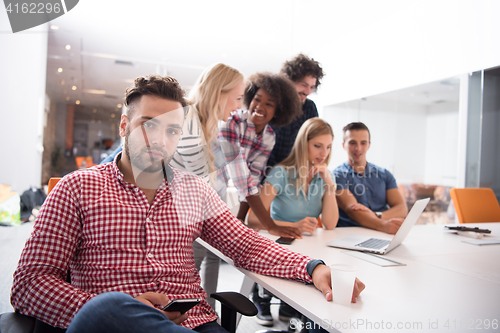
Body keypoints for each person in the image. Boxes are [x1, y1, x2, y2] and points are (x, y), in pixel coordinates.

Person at [11, 75, 365, 332]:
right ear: (123, 125)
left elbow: (246, 245)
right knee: (108, 306)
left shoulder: (194, 191)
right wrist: (119, 308)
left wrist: (312, 267)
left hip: (192, 323)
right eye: (148, 125)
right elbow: (29, 283)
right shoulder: (78, 188)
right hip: (112, 325)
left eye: (172, 131)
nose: (159, 140)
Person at [247, 118, 338, 326]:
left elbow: (331, 223)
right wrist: (291, 226)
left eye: (328, 147)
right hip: (279, 243)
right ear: (303, 144)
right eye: (317, 146)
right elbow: (252, 218)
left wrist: (329, 184)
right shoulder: (281, 173)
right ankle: (262, 294)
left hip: (308, 246)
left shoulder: (322, 177)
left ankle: (291, 304)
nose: (323, 153)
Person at [218, 73, 303, 232]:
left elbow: (253, 179)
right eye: (257, 99)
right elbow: (242, 178)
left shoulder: (269, 137)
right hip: (201, 193)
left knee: (220, 253)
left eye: (269, 104)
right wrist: (270, 226)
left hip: (222, 199)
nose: (259, 106)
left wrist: (240, 221)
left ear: (278, 111)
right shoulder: (232, 122)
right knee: (199, 251)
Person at [334, 122, 408, 234]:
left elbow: (402, 208)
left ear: (369, 144)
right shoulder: (337, 175)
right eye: (352, 143)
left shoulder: (384, 174)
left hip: (383, 233)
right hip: (349, 234)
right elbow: (352, 209)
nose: (358, 148)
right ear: (343, 145)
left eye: (363, 143)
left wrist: (376, 216)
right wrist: (383, 225)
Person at [267, 54, 325, 169]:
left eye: (312, 87)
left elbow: (314, 142)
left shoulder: (310, 108)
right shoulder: (272, 105)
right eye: (304, 85)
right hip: (268, 172)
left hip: (297, 174)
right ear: (288, 81)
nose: (307, 92)